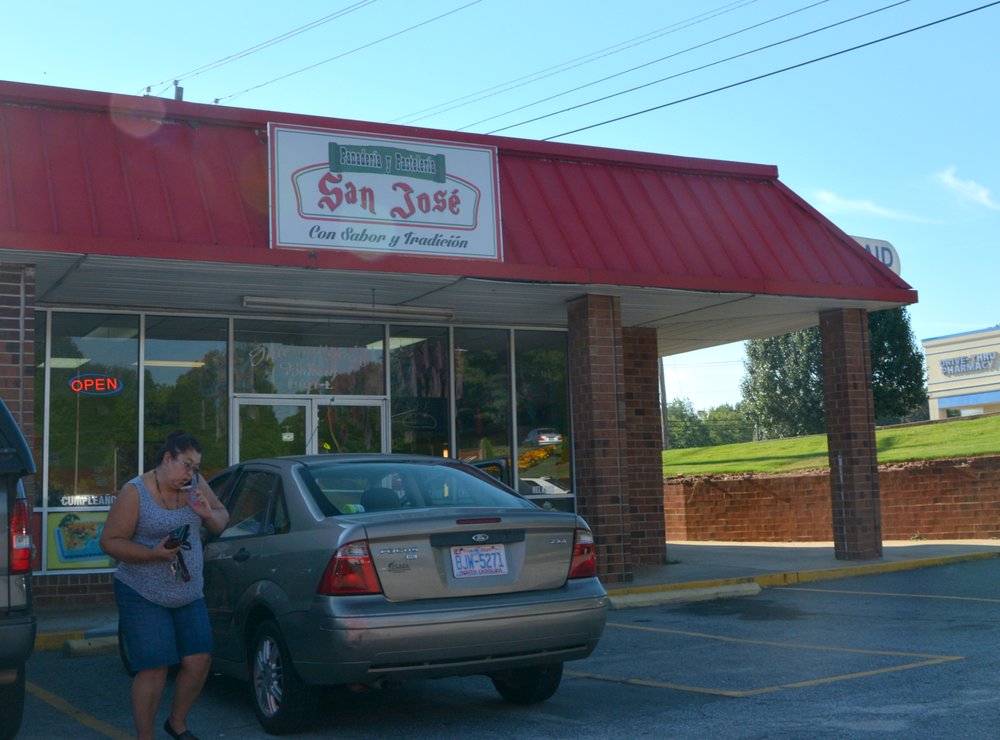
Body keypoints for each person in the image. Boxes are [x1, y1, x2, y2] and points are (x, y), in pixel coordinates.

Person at [100, 431, 229, 740]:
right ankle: (145, 736)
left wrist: (207, 514)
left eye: (196, 467)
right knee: (155, 666)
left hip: (187, 591)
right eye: (186, 465)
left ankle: (177, 723)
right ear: (168, 458)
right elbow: (109, 541)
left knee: (199, 660)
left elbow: (223, 518)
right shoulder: (135, 492)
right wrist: (150, 554)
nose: (191, 473)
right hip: (143, 592)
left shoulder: (196, 486)